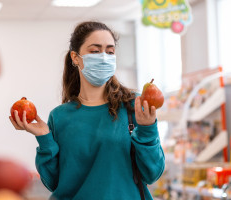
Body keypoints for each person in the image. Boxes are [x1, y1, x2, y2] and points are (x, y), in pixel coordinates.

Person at [10, 21, 165, 200]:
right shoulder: (60, 116)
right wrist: (44, 138)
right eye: (95, 51)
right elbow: (54, 183)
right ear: (76, 58)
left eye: (110, 51)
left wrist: (147, 129)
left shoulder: (133, 106)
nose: (104, 57)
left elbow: (152, 174)